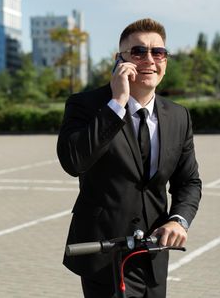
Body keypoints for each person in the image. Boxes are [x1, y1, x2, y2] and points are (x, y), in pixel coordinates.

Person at [57, 18, 202, 298]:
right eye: (138, 52)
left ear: (165, 61)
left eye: (157, 52)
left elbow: (189, 182)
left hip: (153, 253)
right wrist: (117, 103)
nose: (149, 59)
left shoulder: (178, 116)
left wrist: (178, 220)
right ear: (119, 60)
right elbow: (73, 162)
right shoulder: (85, 106)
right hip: (104, 253)